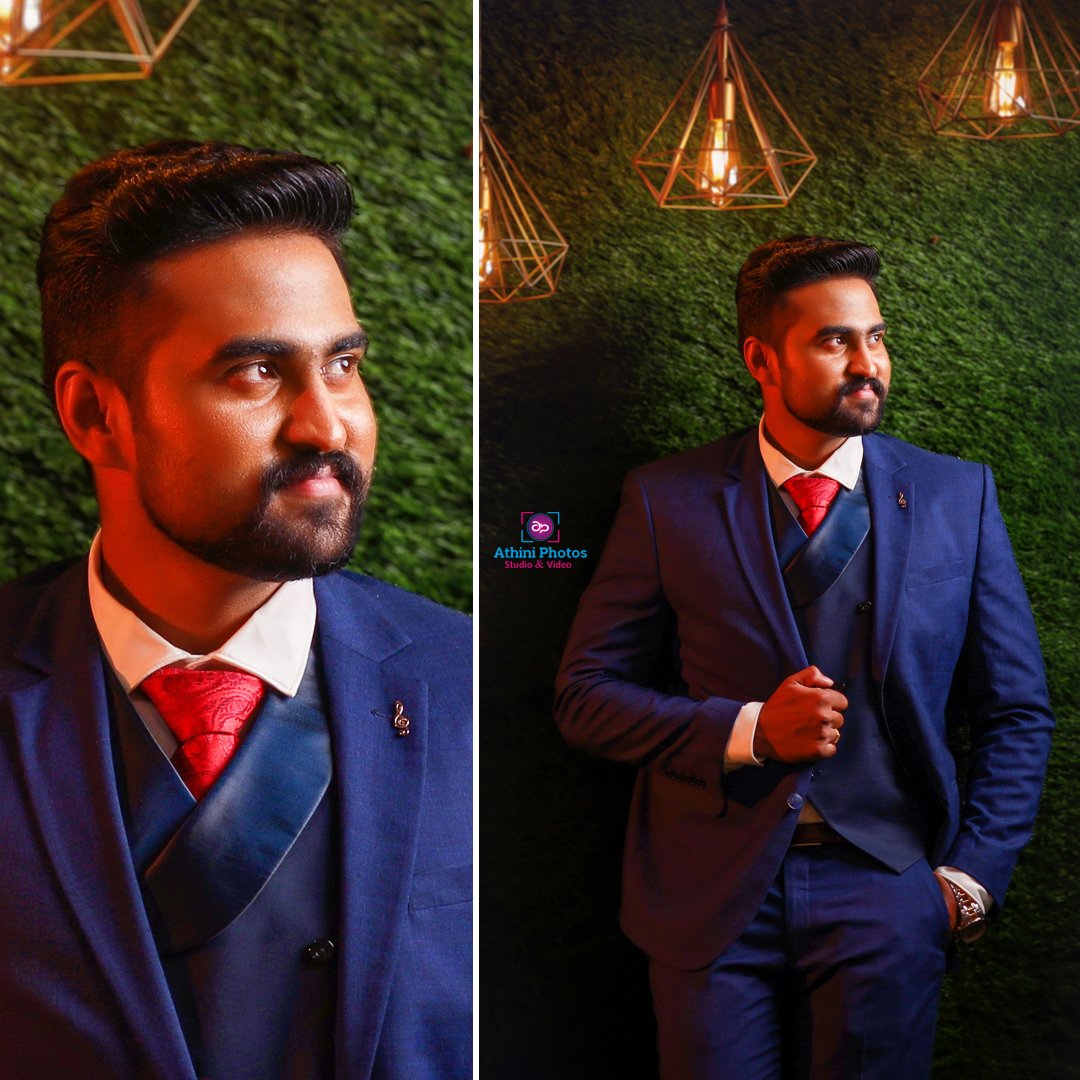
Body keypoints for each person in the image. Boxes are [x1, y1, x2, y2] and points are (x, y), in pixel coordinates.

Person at [0, 141, 471, 1080]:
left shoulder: (467, 679)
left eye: (342, 364)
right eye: (256, 372)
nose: (326, 424)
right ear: (96, 414)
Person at [555, 235, 1053, 1079]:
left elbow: (1016, 711)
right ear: (762, 358)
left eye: (876, 337)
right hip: (709, 895)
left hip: (890, 885)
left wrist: (969, 878)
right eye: (834, 341)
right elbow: (584, 696)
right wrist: (748, 729)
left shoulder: (957, 494)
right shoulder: (663, 497)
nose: (868, 363)